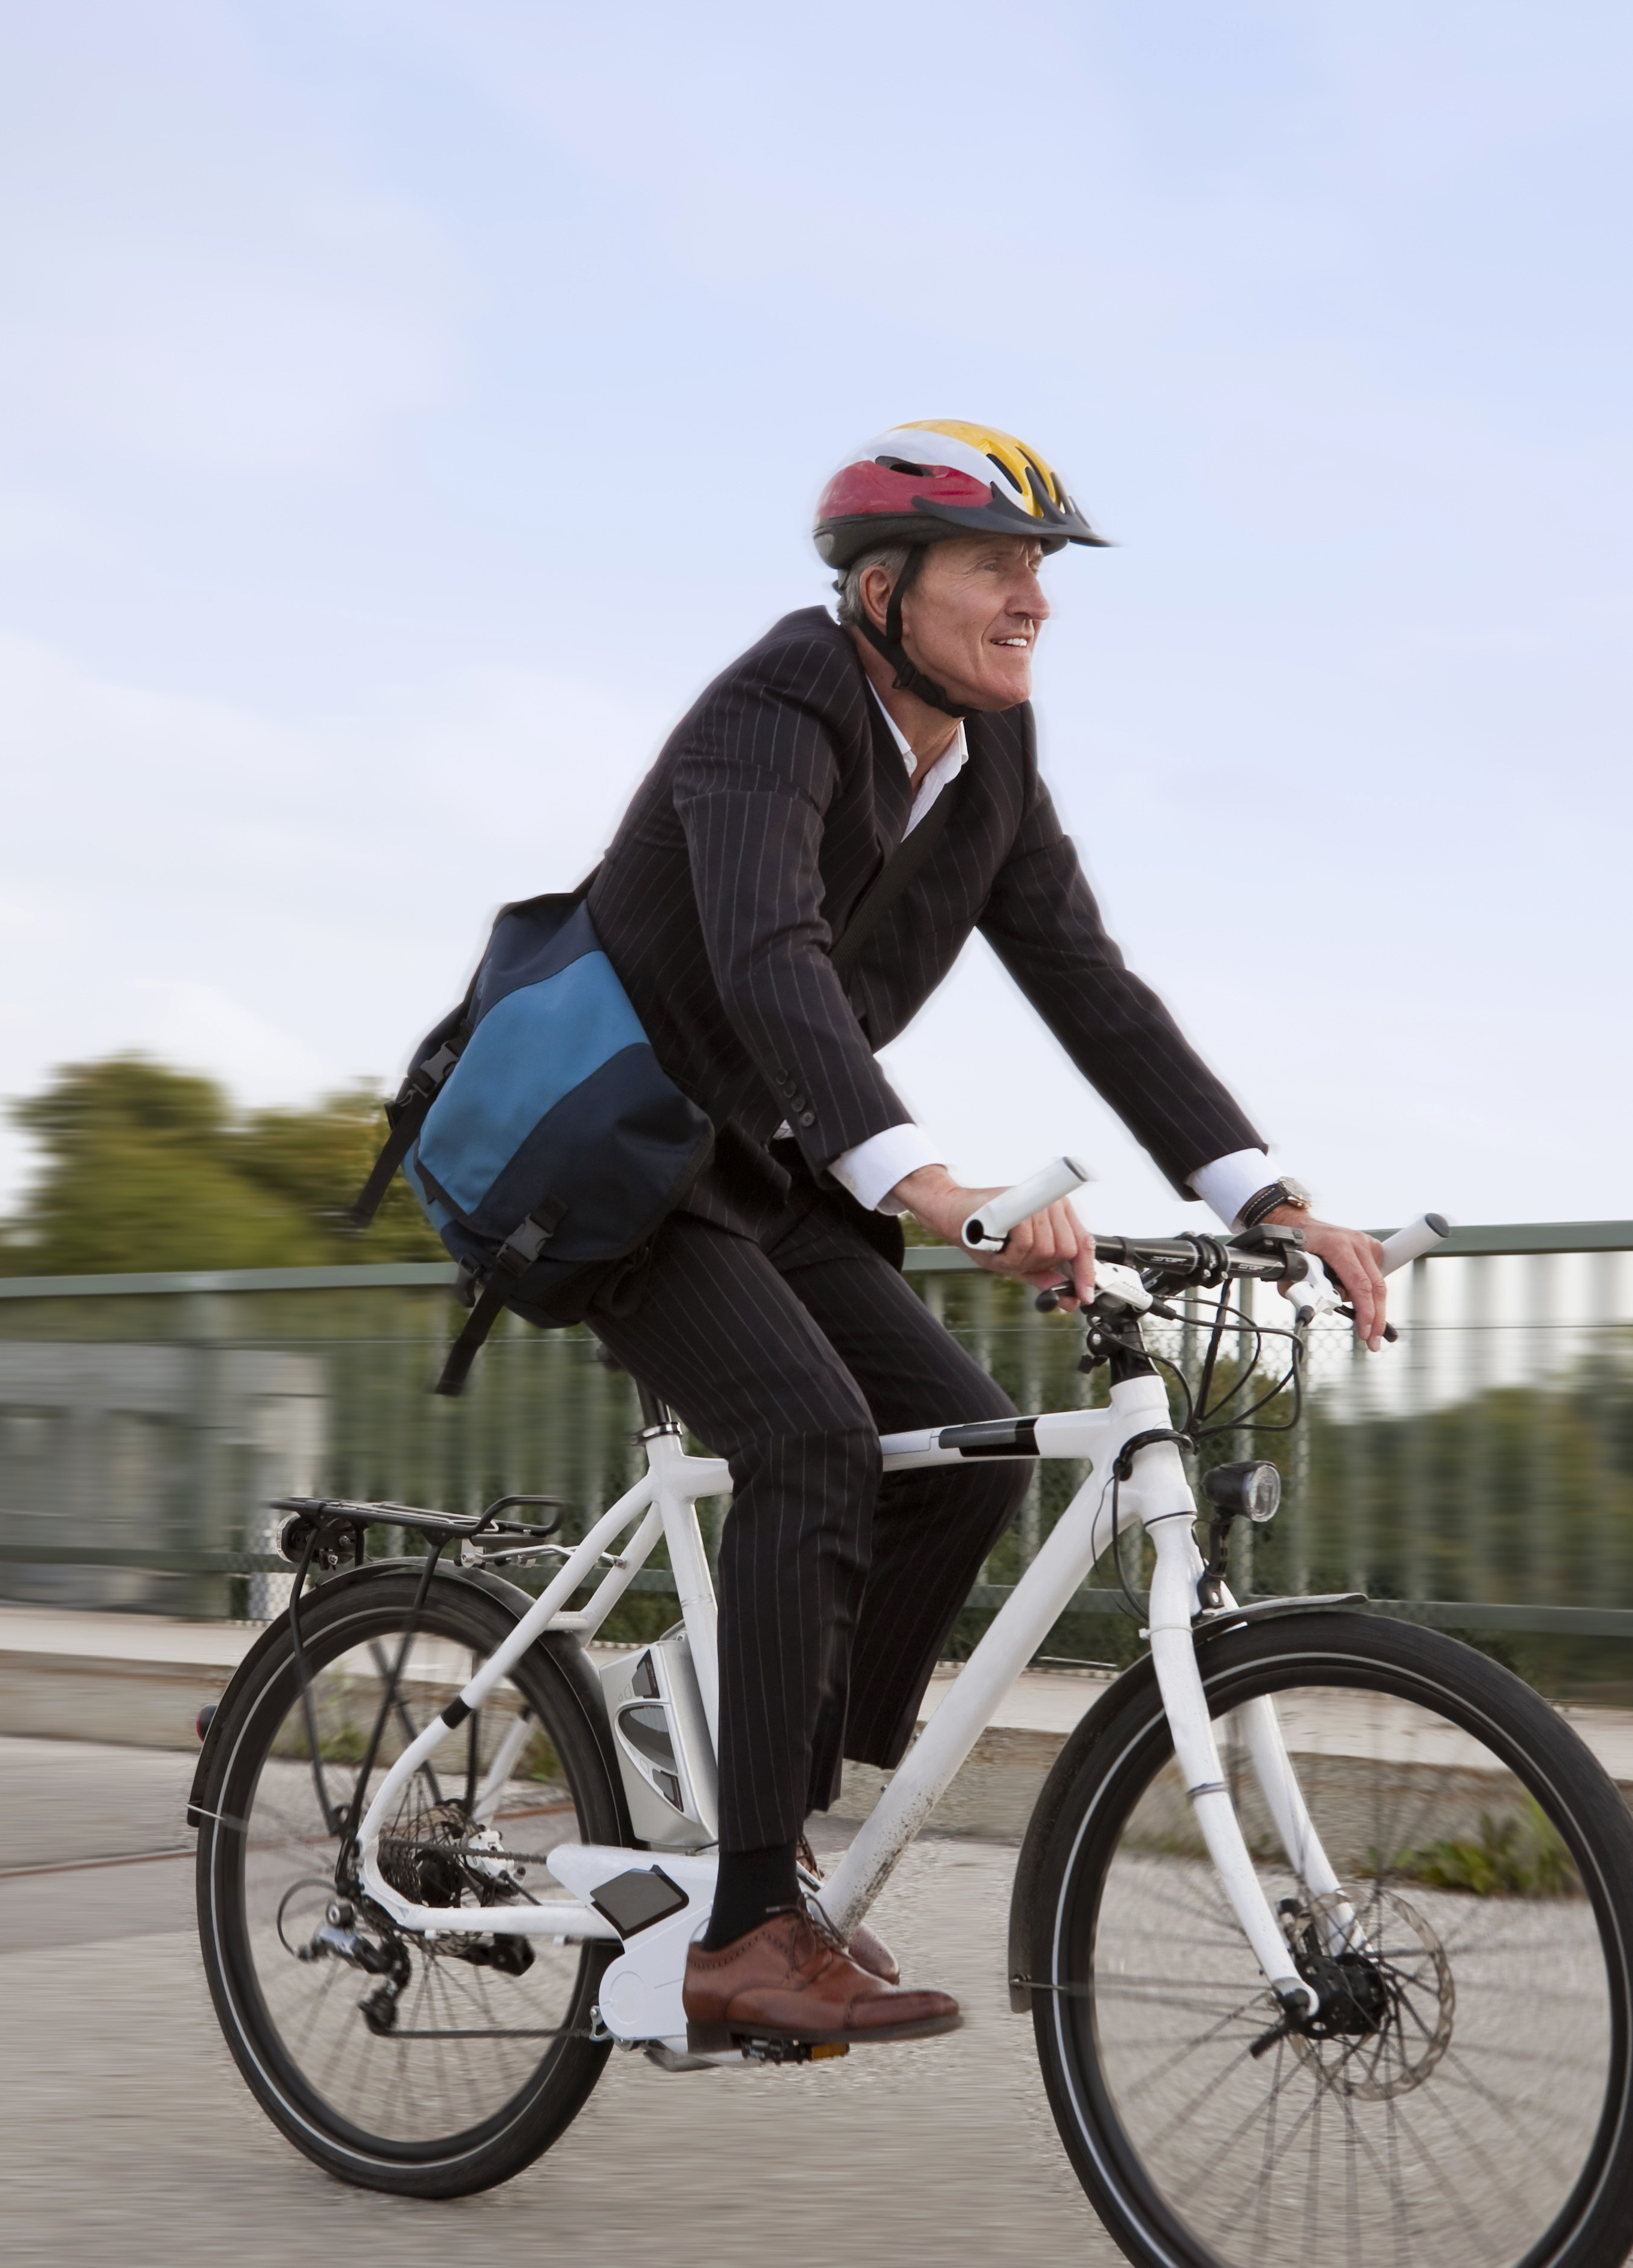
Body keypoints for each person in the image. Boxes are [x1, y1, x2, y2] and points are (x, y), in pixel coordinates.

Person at [583, 420, 1390, 2048]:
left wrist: (1265, 1194)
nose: (1034, 600)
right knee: (813, 1440)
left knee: (964, 1456)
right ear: (883, 590)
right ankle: (741, 1931)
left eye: (1043, 571)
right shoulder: (778, 707)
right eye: (998, 567)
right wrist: (927, 1181)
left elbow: (1091, 984)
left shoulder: (993, 762)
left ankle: (761, 1826)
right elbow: (768, 959)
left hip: (777, 1172)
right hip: (621, 1159)